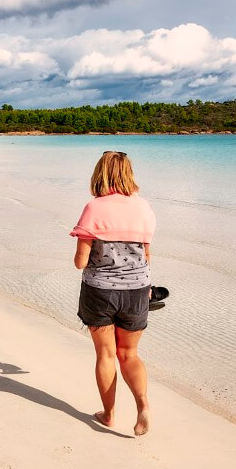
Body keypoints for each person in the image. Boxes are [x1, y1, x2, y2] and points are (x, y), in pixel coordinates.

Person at [70, 150, 156, 435]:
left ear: (100, 174)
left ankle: (108, 415)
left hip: (100, 291)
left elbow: (81, 261)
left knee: (106, 355)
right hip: (137, 289)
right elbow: (146, 255)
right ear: (129, 173)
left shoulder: (94, 208)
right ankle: (142, 405)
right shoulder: (143, 207)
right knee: (129, 353)